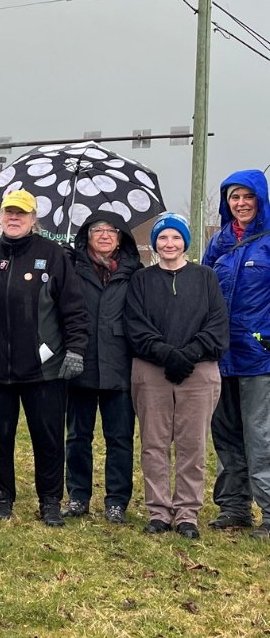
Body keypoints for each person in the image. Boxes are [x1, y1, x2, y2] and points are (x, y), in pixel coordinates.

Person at [0, 189, 89, 527]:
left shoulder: (54, 255)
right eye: (9, 212)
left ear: (33, 219)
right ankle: (2, 497)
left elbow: (75, 309)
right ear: (0, 216)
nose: (14, 218)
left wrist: (75, 349)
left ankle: (50, 501)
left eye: (21, 213)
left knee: (49, 438)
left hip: (45, 369)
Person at [125, 213, 228, 539]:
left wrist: (190, 354)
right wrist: (167, 354)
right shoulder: (141, 280)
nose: (170, 244)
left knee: (192, 444)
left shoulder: (205, 277)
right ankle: (158, 510)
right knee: (154, 443)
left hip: (198, 373)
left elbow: (217, 324)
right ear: (155, 243)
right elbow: (136, 325)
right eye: (163, 238)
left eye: (176, 237)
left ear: (185, 241)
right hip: (152, 371)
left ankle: (187, 513)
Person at [62, 212, 142, 524]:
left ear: (121, 238)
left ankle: (116, 501)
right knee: (78, 436)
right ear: (87, 235)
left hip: (120, 365)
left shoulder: (134, 272)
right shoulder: (72, 267)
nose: (105, 235)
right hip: (80, 362)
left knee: (120, 438)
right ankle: (78, 495)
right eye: (98, 230)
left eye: (112, 230)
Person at [203, 171, 270, 540]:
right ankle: (234, 505)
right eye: (234, 198)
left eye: (247, 197)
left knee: (260, 436)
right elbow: (202, 290)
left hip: (259, 356)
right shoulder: (219, 243)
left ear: (259, 198)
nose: (241, 204)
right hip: (220, 356)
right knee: (225, 434)